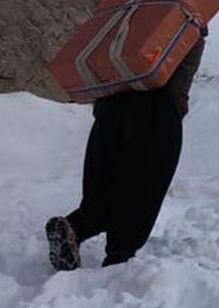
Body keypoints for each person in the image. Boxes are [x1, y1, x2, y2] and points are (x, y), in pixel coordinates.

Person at [45, 35, 205, 270]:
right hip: (158, 110)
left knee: (103, 184)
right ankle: (119, 259)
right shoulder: (185, 19)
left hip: (110, 105)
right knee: (144, 190)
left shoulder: (132, 14)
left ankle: (76, 227)